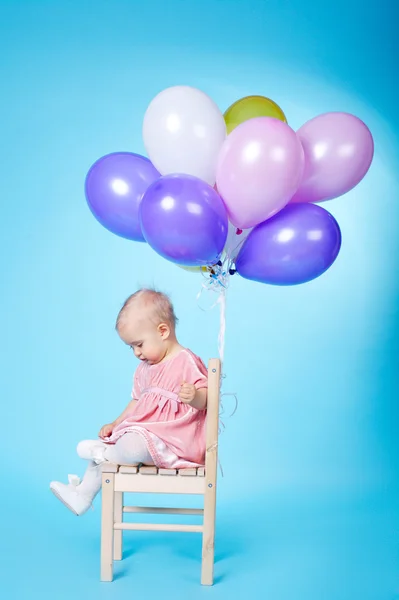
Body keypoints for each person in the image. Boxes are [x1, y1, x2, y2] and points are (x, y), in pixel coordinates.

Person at [50, 288, 208, 516]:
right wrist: (116, 423)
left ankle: (102, 454)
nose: (136, 352)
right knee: (122, 440)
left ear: (162, 331)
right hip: (146, 434)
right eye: (131, 347)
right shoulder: (144, 369)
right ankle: (82, 496)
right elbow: (136, 402)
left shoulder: (186, 361)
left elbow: (206, 401)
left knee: (131, 448)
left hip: (176, 442)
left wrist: (194, 396)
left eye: (139, 344)